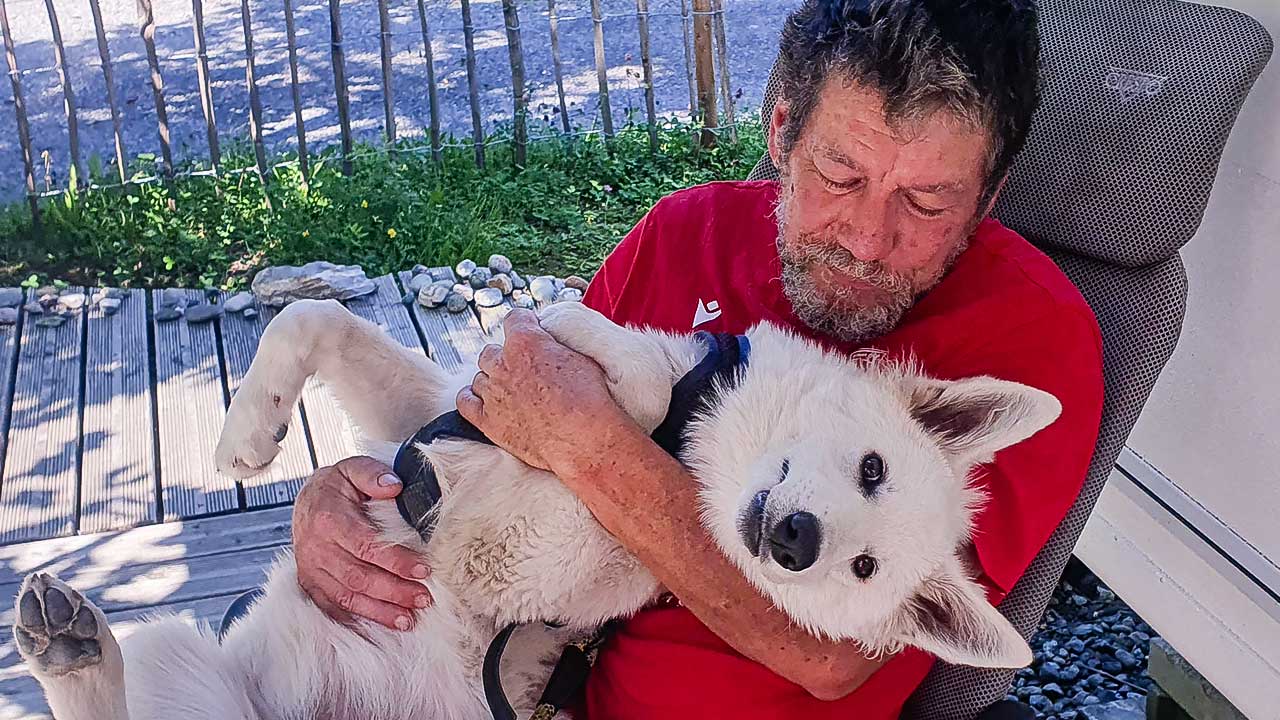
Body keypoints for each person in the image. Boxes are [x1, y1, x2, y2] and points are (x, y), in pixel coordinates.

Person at [281, 1, 1104, 717]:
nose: (865, 239)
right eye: (839, 173)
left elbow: (832, 660)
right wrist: (344, 504)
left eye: (927, 202)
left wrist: (593, 446)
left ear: (988, 198)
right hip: (486, 673)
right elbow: (511, 424)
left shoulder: (1025, 347)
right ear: (782, 131)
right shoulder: (688, 232)